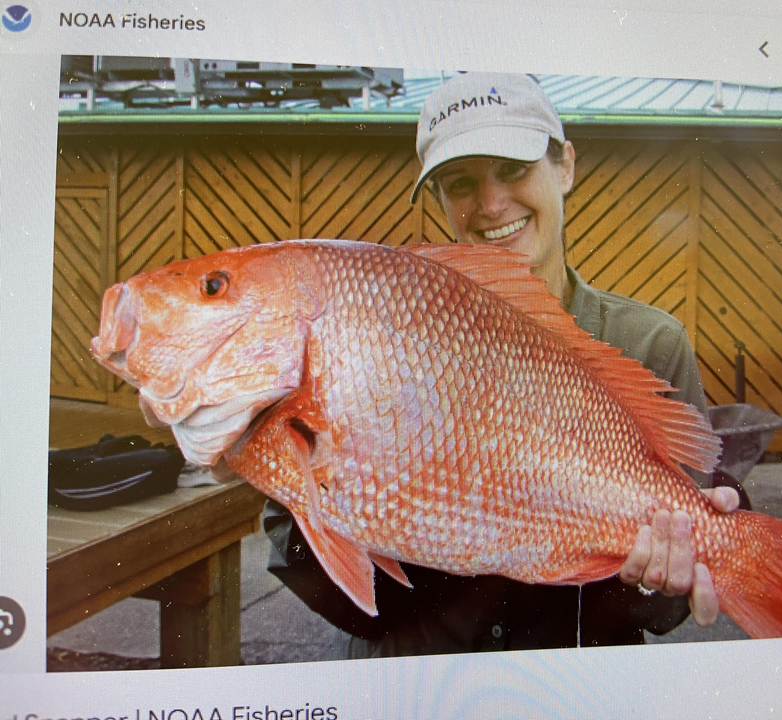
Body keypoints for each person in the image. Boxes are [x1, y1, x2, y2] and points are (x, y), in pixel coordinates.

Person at [264, 72, 739, 657]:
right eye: (460, 183)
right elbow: (350, 607)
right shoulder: (378, 338)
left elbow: (664, 608)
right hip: (420, 692)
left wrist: (659, 577)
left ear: (565, 166)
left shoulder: (649, 343)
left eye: (513, 170)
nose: (490, 205)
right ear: (437, 198)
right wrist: (279, 468)